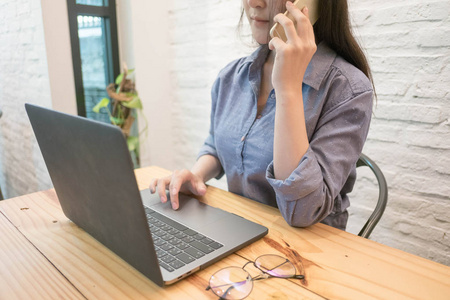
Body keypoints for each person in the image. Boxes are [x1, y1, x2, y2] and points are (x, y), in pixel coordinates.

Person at [149, 0, 374, 231]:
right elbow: (218, 145)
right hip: (239, 232)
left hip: (307, 253)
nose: (254, 2)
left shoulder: (349, 90)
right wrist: (196, 175)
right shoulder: (231, 76)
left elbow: (302, 211)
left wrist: (289, 90)